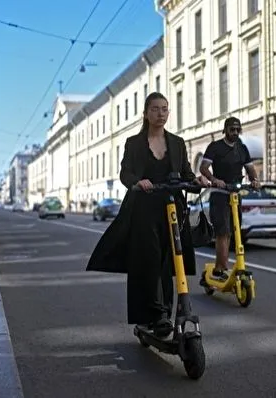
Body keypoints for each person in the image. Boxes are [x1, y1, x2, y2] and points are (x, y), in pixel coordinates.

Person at [86, 92, 209, 338]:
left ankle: (164, 313)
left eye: (164, 109)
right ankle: (155, 315)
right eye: (155, 109)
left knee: (169, 261)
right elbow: (125, 174)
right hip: (143, 209)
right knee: (149, 259)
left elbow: (184, 173)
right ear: (145, 113)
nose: (160, 113)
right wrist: (137, 181)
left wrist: (197, 180)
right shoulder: (134, 143)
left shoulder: (177, 142)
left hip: (172, 208)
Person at [199, 117, 260, 281]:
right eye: (231, 129)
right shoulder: (215, 147)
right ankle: (220, 268)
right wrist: (214, 179)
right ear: (225, 130)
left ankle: (226, 265)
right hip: (220, 194)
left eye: (237, 130)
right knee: (222, 232)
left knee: (234, 231)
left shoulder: (242, 148)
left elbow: (250, 168)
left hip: (235, 194)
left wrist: (255, 180)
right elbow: (203, 168)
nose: (235, 133)